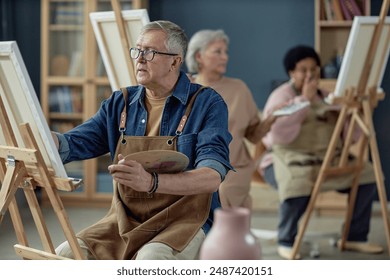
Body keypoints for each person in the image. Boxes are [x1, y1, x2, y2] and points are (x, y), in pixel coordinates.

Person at [53, 20, 233, 260]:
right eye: (137, 50)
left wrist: (151, 182)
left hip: (184, 220)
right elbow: (73, 144)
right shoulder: (120, 102)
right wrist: (47, 141)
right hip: (126, 220)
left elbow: (211, 177)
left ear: (175, 61)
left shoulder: (207, 103)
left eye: (149, 52)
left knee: (150, 259)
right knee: (66, 254)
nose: (139, 58)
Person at [258, 45, 383, 259]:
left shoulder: (328, 96)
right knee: (297, 182)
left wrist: (356, 113)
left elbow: (347, 137)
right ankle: (286, 239)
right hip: (286, 159)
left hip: (326, 160)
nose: (310, 75)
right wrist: (304, 101)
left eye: (314, 70)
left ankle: (354, 236)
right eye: (303, 70)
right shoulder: (281, 95)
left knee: (368, 174)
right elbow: (276, 136)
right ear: (291, 72)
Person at [185, 29, 275, 210]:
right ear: (199, 56)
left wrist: (272, 120)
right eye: (218, 52)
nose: (225, 57)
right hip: (194, 167)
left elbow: (253, 136)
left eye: (225, 52)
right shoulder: (186, 89)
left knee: (220, 192)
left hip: (233, 168)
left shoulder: (239, 89)